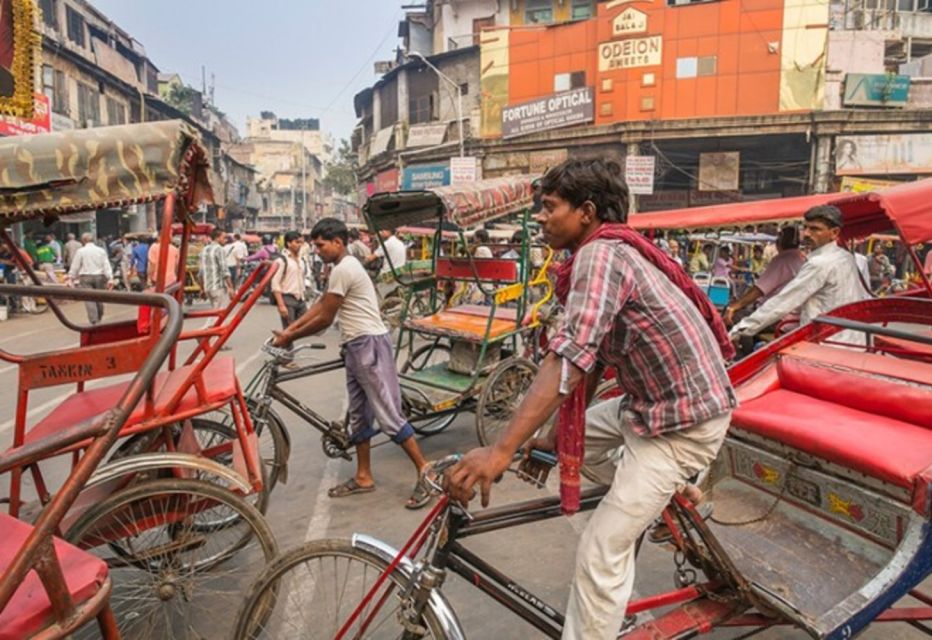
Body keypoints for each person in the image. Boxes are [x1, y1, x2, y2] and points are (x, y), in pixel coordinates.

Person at [447, 159, 736, 640]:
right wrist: (547, 436)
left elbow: (568, 360)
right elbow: (591, 356)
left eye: (549, 207)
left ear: (585, 212)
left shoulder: (601, 256)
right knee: (563, 449)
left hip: (682, 425)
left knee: (600, 552)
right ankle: (668, 490)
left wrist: (501, 450)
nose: (540, 217)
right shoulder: (603, 253)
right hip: (647, 409)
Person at [271, 218, 436, 509]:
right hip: (356, 346)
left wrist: (289, 336)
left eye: (321, 245)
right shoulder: (340, 269)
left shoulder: (345, 268)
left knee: (388, 415)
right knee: (359, 415)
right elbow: (322, 304)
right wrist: (290, 330)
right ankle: (363, 476)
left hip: (368, 344)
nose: (318, 250)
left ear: (338, 242)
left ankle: (427, 471)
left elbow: (325, 317)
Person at [730, 205, 868, 341]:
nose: (807, 233)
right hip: (850, 338)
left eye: (815, 229)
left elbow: (782, 302)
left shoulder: (820, 263)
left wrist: (736, 332)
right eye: (805, 227)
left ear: (834, 233)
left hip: (826, 341)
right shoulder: (845, 257)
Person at [723, 226, 806, 326]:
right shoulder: (801, 258)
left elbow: (758, 290)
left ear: (779, 242)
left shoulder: (782, 260)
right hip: (790, 314)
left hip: (777, 317)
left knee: (734, 316)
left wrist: (734, 307)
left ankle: (738, 341)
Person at [69, 232, 113, 324]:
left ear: (83, 241)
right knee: (99, 297)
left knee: (89, 299)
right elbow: (106, 265)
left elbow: (75, 266)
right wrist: (110, 278)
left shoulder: (81, 251)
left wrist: (71, 277)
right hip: (100, 277)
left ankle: (94, 319)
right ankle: (99, 316)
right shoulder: (101, 251)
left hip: (85, 278)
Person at [200, 229, 234, 336]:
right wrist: (231, 287)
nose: (226, 240)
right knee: (219, 315)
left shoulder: (205, 249)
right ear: (217, 237)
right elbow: (224, 269)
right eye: (224, 237)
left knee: (215, 313)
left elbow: (200, 272)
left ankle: (206, 334)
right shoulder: (219, 249)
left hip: (208, 286)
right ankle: (205, 333)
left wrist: (202, 288)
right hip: (218, 286)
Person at [271, 231, 307, 329]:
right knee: (288, 331)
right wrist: (281, 305)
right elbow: (275, 283)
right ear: (289, 243)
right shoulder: (282, 260)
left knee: (305, 327)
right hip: (288, 299)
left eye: (301, 242)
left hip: (301, 299)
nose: (299, 245)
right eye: (296, 242)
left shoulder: (301, 261)